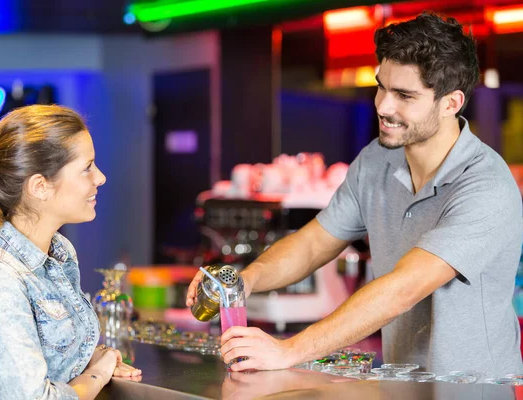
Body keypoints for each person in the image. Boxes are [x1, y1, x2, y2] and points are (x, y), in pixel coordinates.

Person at [187, 12, 523, 377]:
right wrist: (245, 280)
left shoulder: (485, 185)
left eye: (404, 95)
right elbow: (315, 243)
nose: (383, 106)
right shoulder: (377, 160)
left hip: (474, 390)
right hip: (401, 383)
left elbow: (404, 288)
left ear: (451, 103)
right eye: (382, 86)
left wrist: (289, 350)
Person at [0, 105, 141, 399]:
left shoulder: (59, 252)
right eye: (87, 168)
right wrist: (97, 373)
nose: (100, 178)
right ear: (40, 187)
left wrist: (93, 355)